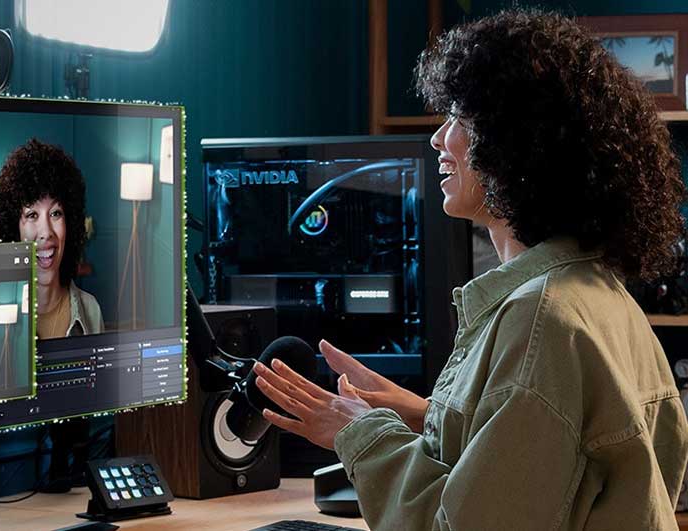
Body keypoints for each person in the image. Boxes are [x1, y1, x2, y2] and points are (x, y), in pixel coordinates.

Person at [253, 9, 688, 530]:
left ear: (517, 143)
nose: (439, 138)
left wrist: (362, 431)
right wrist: (426, 414)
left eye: (458, 118)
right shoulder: (598, 294)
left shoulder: (540, 321)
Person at [0, 138, 104, 339]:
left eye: (56, 213)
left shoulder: (91, 309)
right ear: (14, 228)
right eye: (32, 215)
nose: (47, 232)